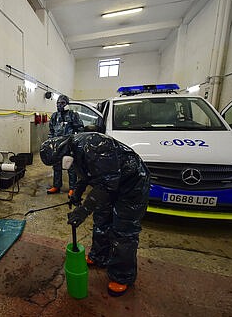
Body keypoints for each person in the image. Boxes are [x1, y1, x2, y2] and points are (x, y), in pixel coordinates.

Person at [40, 132, 150, 296]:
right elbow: (88, 174)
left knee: (123, 229)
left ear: (64, 152)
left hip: (131, 184)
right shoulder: (74, 151)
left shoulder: (96, 146)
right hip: (109, 182)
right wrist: (77, 192)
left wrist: (83, 210)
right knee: (101, 219)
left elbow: (107, 184)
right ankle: (99, 256)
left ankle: (122, 276)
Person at [47, 94, 84, 196]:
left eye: (62, 103)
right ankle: (56, 186)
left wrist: (75, 140)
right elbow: (51, 130)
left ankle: (72, 188)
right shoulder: (54, 116)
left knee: (71, 167)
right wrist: (50, 142)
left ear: (67, 104)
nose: (60, 105)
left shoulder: (73, 115)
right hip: (57, 146)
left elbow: (80, 129)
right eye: (58, 103)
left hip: (69, 145)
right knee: (56, 166)